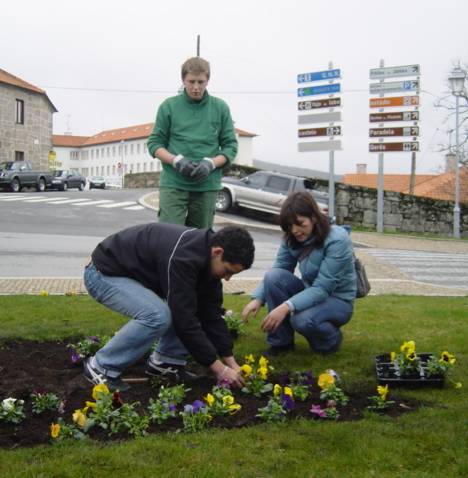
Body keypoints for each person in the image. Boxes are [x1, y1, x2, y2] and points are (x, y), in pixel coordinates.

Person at [83, 223, 254, 391]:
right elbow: (184, 320)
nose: (228, 278)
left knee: (190, 307)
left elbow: (211, 315)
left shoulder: (207, 261)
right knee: (157, 315)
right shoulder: (184, 258)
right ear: (217, 252)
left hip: (131, 275)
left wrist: (231, 363)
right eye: (228, 271)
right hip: (103, 274)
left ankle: (166, 362)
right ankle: (101, 366)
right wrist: (219, 369)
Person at [242, 192, 356, 356]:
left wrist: (285, 307)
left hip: (338, 299)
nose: (295, 230)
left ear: (314, 217)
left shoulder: (337, 240)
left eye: (300, 224)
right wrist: (258, 298)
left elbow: (323, 288)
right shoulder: (291, 238)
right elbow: (280, 268)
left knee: (302, 320)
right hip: (310, 290)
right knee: (274, 277)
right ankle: (281, 344)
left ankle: (330, 341)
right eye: (289, 226)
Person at [147, 56, 238, 229]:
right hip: (174, 184)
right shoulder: (169, 106)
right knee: (168, 235)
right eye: (191, 81)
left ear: (208, 80)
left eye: (201, 82)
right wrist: (176, 160)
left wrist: (211, 163)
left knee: (199, 241)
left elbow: (231, 146)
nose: (196, 87)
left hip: (206, 186)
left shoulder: (220, 108)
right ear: (183, 80)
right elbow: (154, 143)